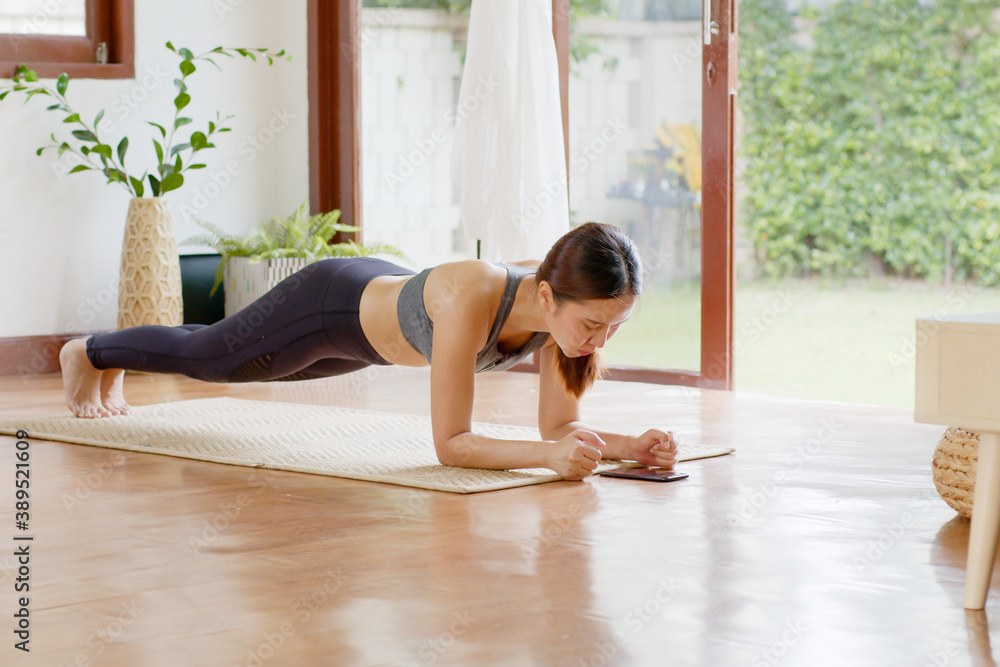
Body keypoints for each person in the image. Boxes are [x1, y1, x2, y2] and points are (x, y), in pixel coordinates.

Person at [59, 222, 679, 480]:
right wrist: (548, 458)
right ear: (547, 296)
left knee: (250, 368)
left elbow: (561, 425)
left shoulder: (562, 318)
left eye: (615, 328)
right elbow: (451, 446)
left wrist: (629, 450)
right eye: (595, 324)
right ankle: (89, 352)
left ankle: (105, 360)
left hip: (368, 342)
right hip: (329, 303)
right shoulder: (474, 296)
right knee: (213, 360)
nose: (600, 341)